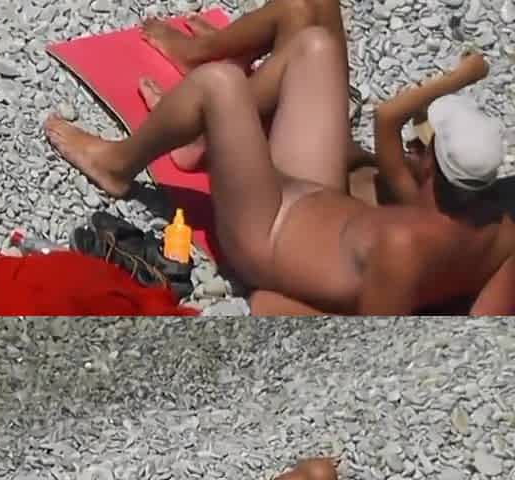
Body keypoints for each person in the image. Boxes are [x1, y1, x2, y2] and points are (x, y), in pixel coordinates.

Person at [44, 1, 514, 315]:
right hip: (317, 196)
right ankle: (203, 139)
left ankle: (116, 165)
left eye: (423, 144)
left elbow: (371, 345)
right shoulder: (502, 236)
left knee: (220, 85)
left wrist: (274, 302)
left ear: (432, 165)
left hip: (268, 232)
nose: (414, 146)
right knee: (315, 46)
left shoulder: (403, 244)